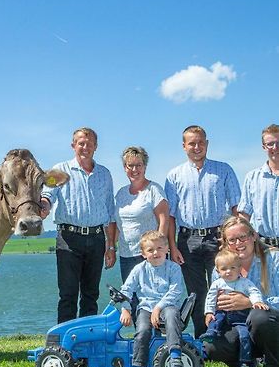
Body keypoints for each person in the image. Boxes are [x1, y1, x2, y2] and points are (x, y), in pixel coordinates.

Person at [165, 125, 241, 338]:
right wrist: (172, 247)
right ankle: (203, 339)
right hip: (187, 241)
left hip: (218, 238)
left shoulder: (224, 170)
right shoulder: (174, 176)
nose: (196, 147)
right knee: (196, 293)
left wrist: (235, 240)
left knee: (223, 287)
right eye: (192, 143)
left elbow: (237, 207)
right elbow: (170, 215)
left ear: (207, 144)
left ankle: (227, 336)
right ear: (184, 146)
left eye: (200, 142)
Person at [40, 127, 116, 324]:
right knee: (68, 294)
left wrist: (110, 247)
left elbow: (110, 212)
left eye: (89, 144)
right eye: (81, 143)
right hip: (68, 239)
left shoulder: (104, 174)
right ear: (73, 145)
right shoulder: (59, 170)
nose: (85, 147)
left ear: (96, 147)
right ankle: (64, 345)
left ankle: (86, 343)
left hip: (97, 239)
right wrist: (44, 207)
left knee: (91, 295)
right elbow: (47, 195)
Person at [204, 216, 279, 367]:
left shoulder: (274, 259)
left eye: (243, 237)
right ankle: (247, 363)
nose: (238, 243)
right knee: (211, 345)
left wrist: (249, 302)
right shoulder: (220, 267)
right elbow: (215, 301)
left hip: (272, 325)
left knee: (259, 316)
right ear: (225, 243)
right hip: (239, 324)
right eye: (232, 240)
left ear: (253, 236)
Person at [120, 231, 185, 367]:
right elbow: (126, 289)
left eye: (159, 248)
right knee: (142, 330)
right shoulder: (139, 269)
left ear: (167, 249)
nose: (156, 253)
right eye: (150, 250)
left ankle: (175, 357)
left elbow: (176, 291)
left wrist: (158, 307)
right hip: (146, 307)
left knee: (170, 315)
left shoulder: (174, 268)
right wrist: (125, 309)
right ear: (143, 253)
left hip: (167, 305)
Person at [201, 249, 269, 367]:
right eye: (224, 268)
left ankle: (246, 361)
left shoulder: (244, 282)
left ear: (239, 268)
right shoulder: (217, 283)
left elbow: (254, 291)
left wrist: (255, 302)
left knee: (244, 336)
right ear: (218, 271)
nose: (228, 271)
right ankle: (210, 333)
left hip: (240, 316)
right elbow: (210, 298)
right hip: (223, 313)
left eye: (232, 268)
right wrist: (209, 312)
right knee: (216, 320)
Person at [113, 146, 169, 283]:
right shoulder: (120, 194)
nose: (134, 170)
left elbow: (164, 221)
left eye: (138, 165)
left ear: (145, 166)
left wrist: (158, 250)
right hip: (126, 255)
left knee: (153, 297)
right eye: (130, 166)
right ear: (124, 167)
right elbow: (117, 224)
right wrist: (110, 247)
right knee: (131, 298)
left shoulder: (154, 190)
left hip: (150, 255)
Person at [238, 123, 279, 246]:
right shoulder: (252, 178)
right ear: (263, 147)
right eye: (270, 144)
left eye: (278, 143)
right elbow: (244, 214)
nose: (275, 147)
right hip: (262, 249)